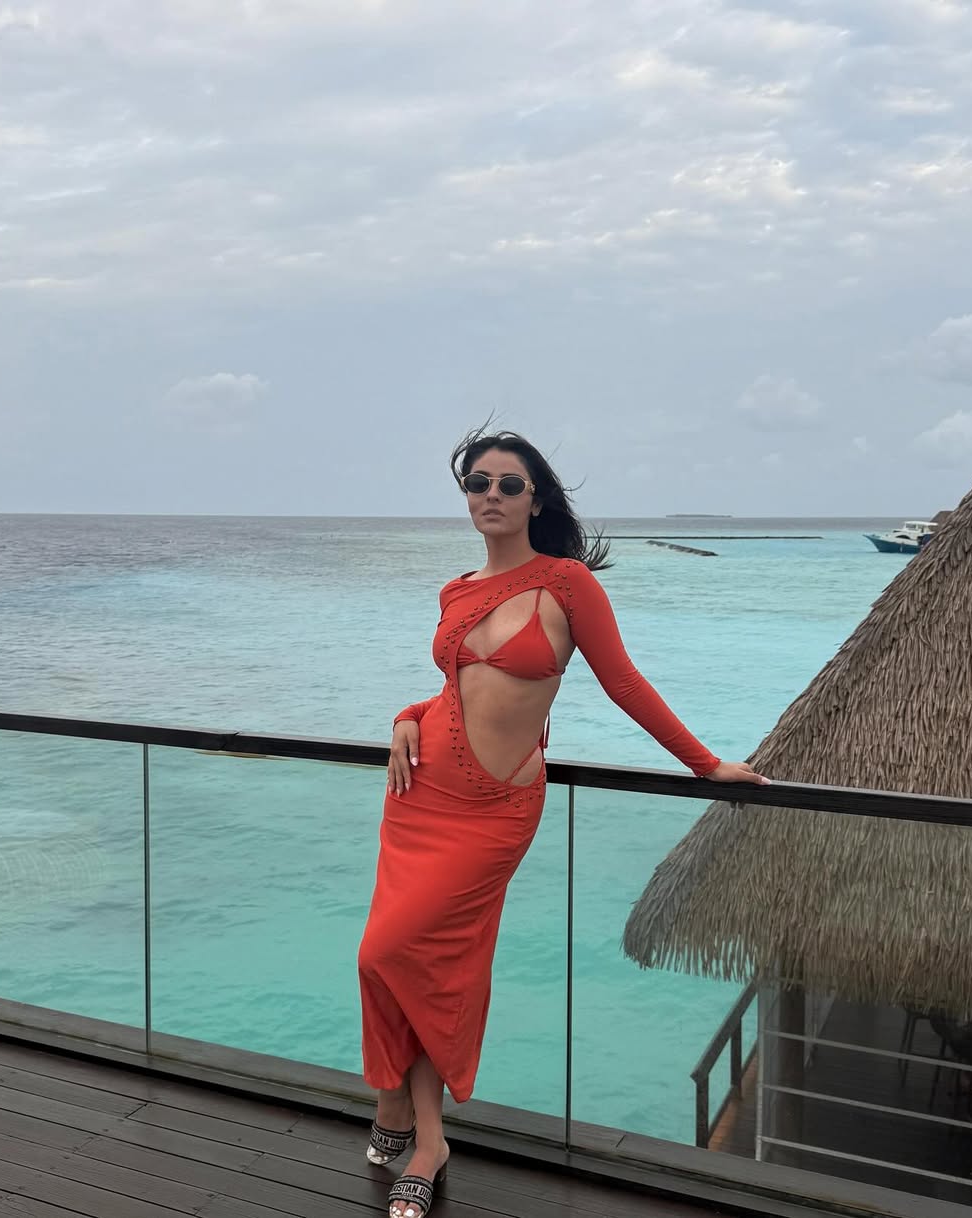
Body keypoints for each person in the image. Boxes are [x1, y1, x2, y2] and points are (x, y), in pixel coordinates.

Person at [357, 427, 769, 1218]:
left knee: (411, 956)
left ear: (536, 500)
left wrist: (704, 764)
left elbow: (624, 683)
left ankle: (408, 1120)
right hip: (419, 798)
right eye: (478, 482)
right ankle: (413, 1123)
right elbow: (454, 687)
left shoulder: (567, 583)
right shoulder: (456, 589)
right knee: (388, 959)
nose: (491, 495)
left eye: (508, 484)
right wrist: (406, 714)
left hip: (494, 812)